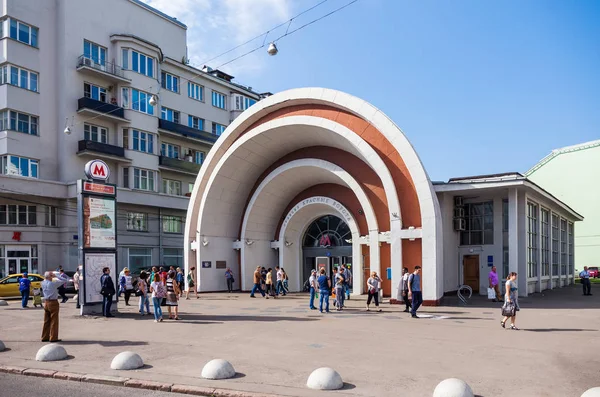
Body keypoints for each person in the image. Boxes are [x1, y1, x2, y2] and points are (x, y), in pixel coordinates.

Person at [41, 270, 68, 342]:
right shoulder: (53, 283)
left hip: (46, 302)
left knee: (46, 320)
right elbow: (65, 280)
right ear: (50, 276)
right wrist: (56, 276)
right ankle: (53, 337)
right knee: (54, 320)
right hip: (53, 302)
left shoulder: (42, 283)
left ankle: (44, 336)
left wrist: (49, 275)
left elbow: (45, 279)